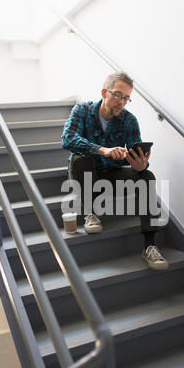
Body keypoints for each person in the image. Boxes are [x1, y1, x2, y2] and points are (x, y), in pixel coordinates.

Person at [61, 71, 168, 270]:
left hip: (111, 176)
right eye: (118, 95)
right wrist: (103, 151)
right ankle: (90, 213)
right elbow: (68, 139)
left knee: (146, 176)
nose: (122, 102)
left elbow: (136, 153)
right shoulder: (82, 111)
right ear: (104, 92)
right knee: (79, 158)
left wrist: (140, 164)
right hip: (84, 175)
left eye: (127, 98)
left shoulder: (129, 120)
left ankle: (150, 245)